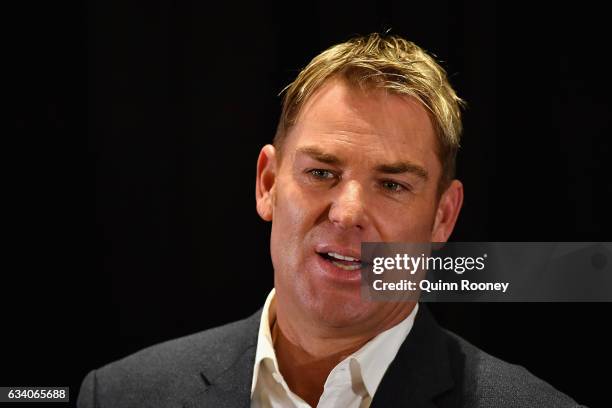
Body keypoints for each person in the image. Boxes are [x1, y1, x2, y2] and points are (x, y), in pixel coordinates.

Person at [78, 33, 584, 408]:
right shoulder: (121, 394)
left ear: (442, 217)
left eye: (392, 184)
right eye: (321, 172)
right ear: (268, 184)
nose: (346, 214)